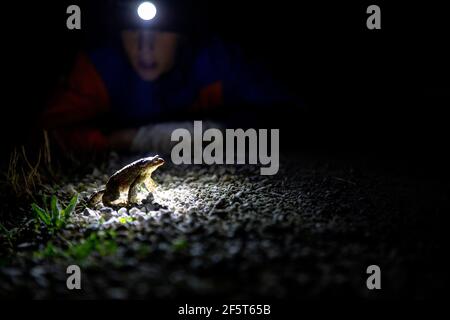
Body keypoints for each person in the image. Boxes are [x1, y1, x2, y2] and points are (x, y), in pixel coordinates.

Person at [41, 0, 299, 155]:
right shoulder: (99, 69)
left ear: (183, 37)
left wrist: (216, 132)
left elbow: (287, 112)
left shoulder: (213, 62)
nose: (145, 46)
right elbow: (45, 136)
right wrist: (119, 140)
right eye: (132, 31)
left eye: (162, 32)